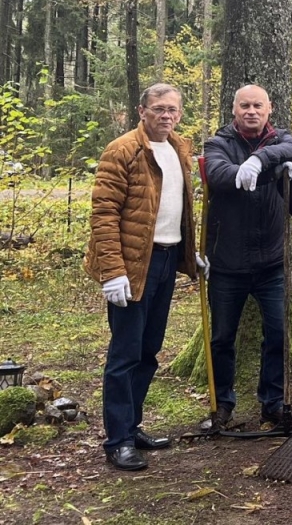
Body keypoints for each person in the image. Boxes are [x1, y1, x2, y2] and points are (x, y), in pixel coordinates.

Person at [85, 83, 199, 471]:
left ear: (179, 113)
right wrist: (113, 272)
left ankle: (132, 427)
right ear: (142, 110)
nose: (166, 115)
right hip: (134, 267)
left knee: (149, 350)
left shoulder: (180, 149)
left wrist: (190, 252)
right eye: (158, 109)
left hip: (167, 262)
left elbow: (180, 208)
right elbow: (103, 215)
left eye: (172, 110)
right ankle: (117, 440)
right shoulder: (122, 150)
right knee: (125, 354)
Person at [202, 84, 292, 431]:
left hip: (271, 264)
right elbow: (217, 174)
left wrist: (261, 159)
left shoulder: (279, 139)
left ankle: (273, 402)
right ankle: (222, 405)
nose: (251, 111)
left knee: (277, 334)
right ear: (234, 110)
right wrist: (243, 172)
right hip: (227, 264)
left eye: (257, 105)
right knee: (221, 338)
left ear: (269, 108)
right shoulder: (218, 143)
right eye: (244, 105)